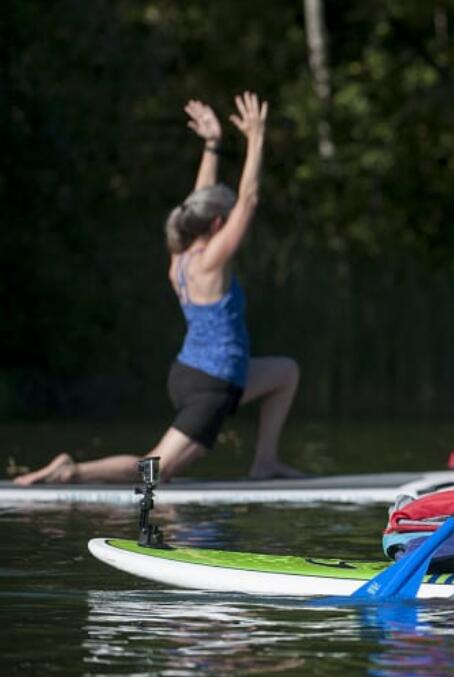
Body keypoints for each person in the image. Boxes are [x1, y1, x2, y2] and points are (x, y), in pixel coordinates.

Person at [16, 92, 303, 485]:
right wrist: (256, 137)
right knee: (155, 470)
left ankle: (265, 462)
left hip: (196, 373)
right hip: (211, 385)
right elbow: (249, 199)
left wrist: (213, 145)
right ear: (217, 226)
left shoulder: (181, 257)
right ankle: (74, 470)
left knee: (285, 373)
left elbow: (196, 203)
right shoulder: (210, 263)